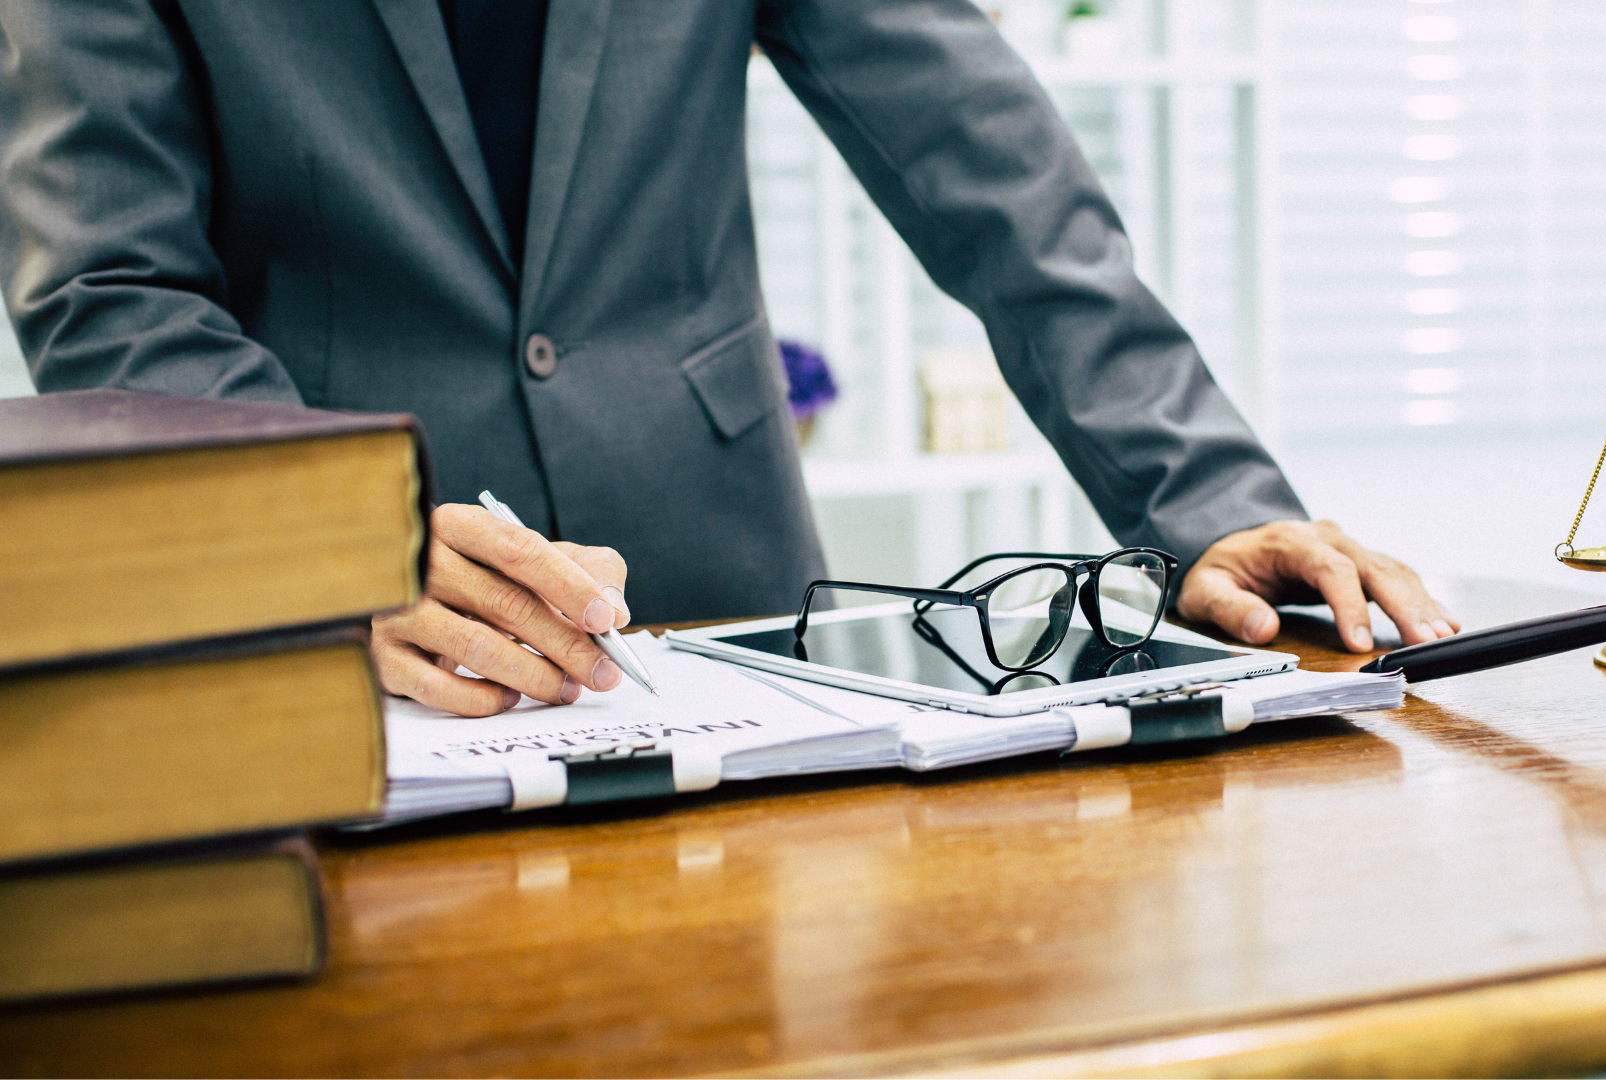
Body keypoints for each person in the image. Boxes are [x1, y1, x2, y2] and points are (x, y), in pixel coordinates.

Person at [0, 0, 1458, 717]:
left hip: (732, 614)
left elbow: (992, 175)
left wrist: (1202, 502)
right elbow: (110, 281)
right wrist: (319, 544)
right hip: (359, 646)